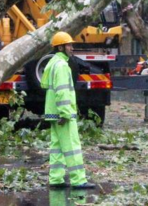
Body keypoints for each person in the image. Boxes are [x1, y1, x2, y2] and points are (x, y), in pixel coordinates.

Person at [42, 32, 95, 189]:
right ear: (60, 47)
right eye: (69, 45)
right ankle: (78, 180)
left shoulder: (53, 63)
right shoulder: (62, 66)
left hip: (53, 113)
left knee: (57, 147)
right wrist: (65, 114)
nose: (72, 48)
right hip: (62, 114)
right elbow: (62, 91)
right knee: (72, 147)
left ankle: (56, 179)